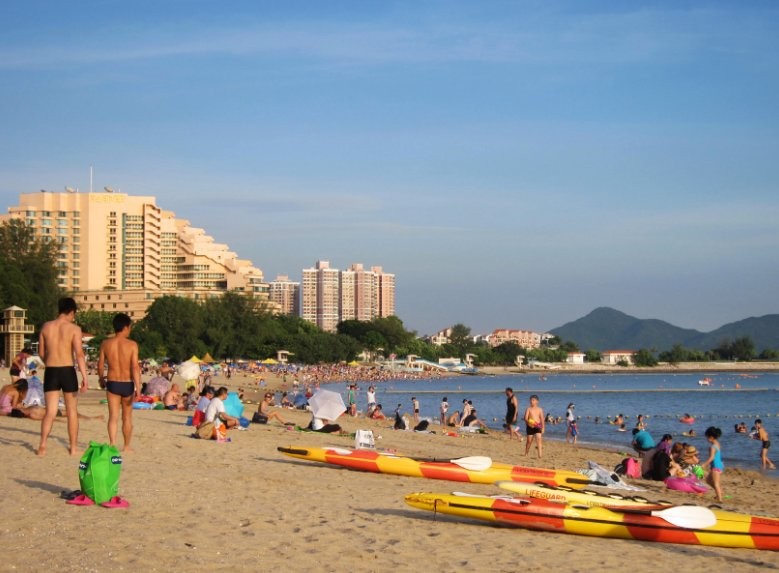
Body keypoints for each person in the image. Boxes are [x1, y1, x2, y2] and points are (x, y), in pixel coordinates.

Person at [37, 297, 89, 456]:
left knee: (50, 411)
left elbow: (41, 352)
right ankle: (73, 448)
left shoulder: (46, 327)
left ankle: (43, 446)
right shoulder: (74, 329)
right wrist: (85, 377)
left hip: (51, 370)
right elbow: (79, 354)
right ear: (72, 311)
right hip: (67, 371)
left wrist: (49, 362)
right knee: (72, 411)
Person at [97, 313, 141, 452]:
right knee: (127, 417)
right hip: (127, 383)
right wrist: (138, 387)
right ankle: (126, 446)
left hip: (112, 382)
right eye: (130, 327)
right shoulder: (132, 345)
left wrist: (101, 378)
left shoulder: (105, 343)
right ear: (126, 327)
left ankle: (112, 444)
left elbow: (100, 365)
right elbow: (134, 367)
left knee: (113, 417)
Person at [701, 426, 724, 502]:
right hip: (720, 465)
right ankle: (719, 492)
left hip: (715, 467)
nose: (706, 439)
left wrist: (704, 464)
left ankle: (720, 499)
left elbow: (712, 458)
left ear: (711, 437)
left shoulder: (712, 447)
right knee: (708, 480)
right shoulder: (718, 444)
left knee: (716, 483)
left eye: (707, 437)